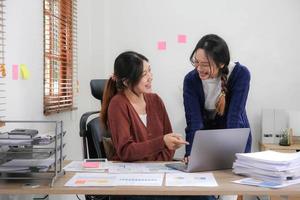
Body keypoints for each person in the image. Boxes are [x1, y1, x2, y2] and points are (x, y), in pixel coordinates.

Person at [101, 51, 215, 200]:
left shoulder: (155, 100)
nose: (150, 77)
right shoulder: (118, 104)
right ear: (127, 81)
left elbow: (168, 143)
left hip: (160, 175)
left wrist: (160, 159)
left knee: (203, 197)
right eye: (144, 74)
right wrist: (161, 143)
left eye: (150, 70)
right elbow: (126, 151)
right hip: (131, 182)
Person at [183, 34, 252, 161]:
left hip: (235, 139)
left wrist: (234, 156)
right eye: (196, 62)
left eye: (204, 64)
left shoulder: (240, 74)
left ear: (221, 63)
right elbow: (194, 121)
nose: (198, 68)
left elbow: (234, 117)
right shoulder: (190, 80)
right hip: (206, 141)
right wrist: (191, 153)